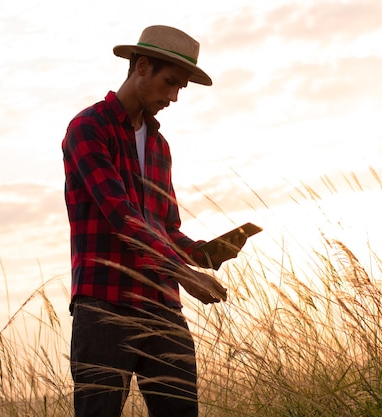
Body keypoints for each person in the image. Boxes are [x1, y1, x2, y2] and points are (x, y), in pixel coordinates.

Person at [62, 25, 245, 417]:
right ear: (141, 67)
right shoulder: (88, 128)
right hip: (104, 304)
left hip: (162, 306)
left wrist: (206, 255)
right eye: (170, 83)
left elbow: (166, 227)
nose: (174, 97)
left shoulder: (160, 146)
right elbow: (122, 217)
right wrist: (186, 274)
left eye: (181, 88)